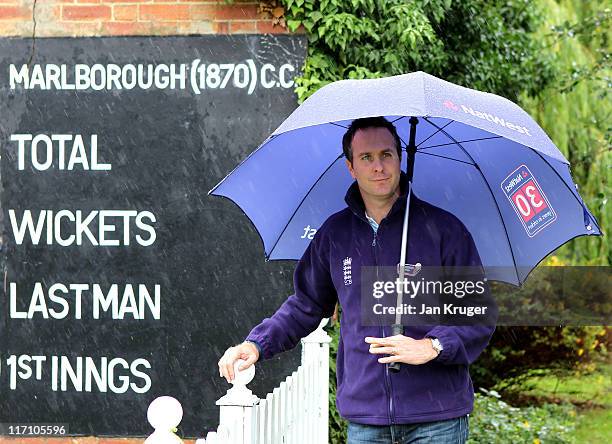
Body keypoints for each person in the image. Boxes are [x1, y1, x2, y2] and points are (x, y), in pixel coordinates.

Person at [218, 116, 495, 443]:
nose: (379, 167)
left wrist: (432, 346)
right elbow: (306, 305)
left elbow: (477, 314)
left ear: (399, 158)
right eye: (367, 157)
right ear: (351, 167)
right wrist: (257, 343)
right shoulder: (335, 235)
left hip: (437, 418)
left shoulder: (445, 231)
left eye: (386, 155)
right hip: (367, 419)